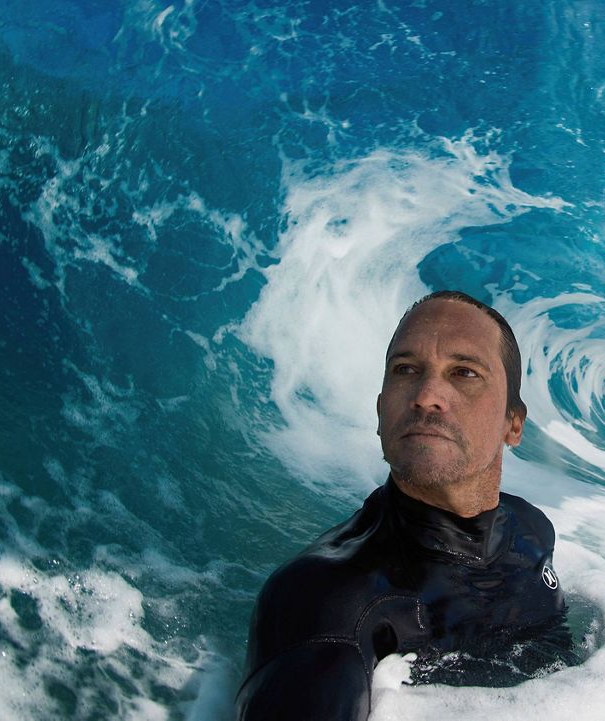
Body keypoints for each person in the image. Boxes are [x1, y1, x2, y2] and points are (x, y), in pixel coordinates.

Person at [236, 290, 565, 721]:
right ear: (379, 410)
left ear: (514, 423)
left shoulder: (530, 531)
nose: (427, 394)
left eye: (464, 372)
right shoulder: (327, 604)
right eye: (405, 370)